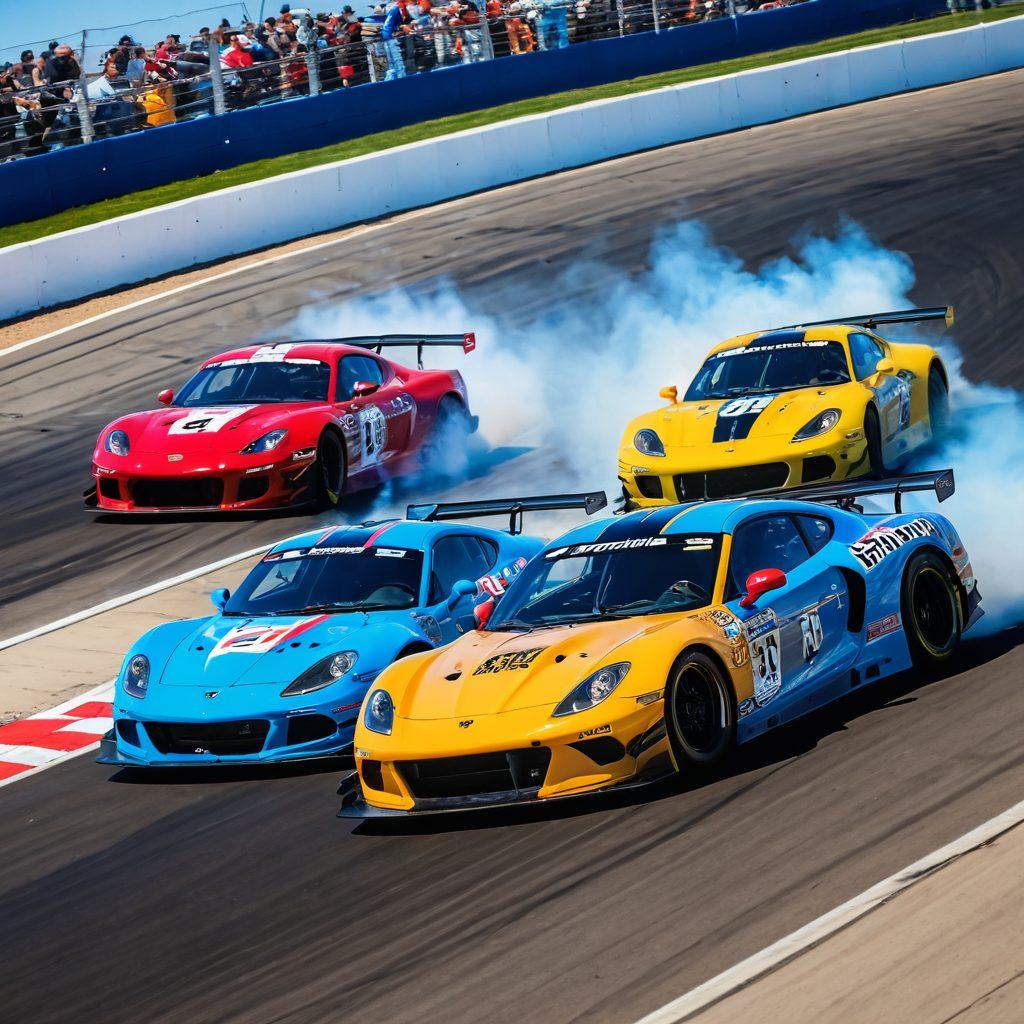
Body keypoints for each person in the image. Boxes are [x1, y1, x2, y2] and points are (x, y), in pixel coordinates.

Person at [381, 0, 407, 79]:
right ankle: (401, 80)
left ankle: (392, 80)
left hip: (387, 38)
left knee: (392, 63)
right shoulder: (395, 8)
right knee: (398, 62)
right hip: (390, 39)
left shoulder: (391, 8)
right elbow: (390, 26)